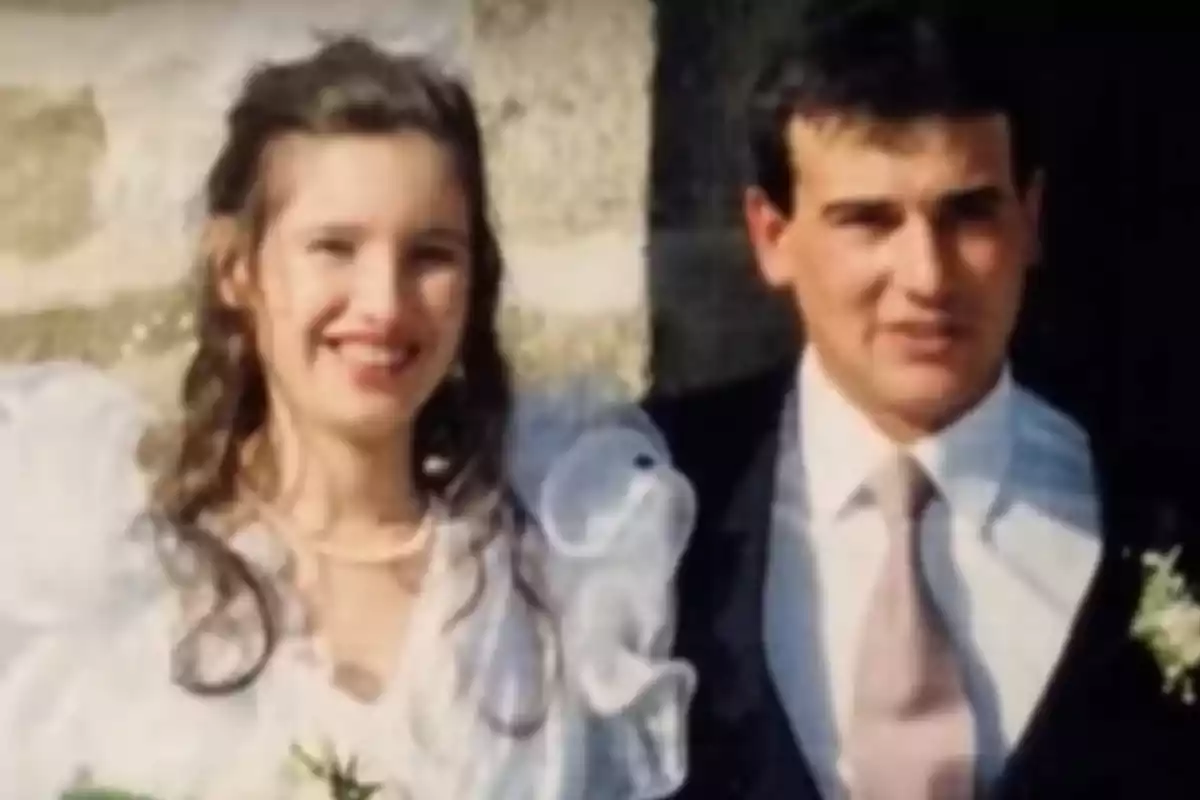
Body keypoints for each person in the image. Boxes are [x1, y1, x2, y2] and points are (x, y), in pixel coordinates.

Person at [0, 37, 696, 799]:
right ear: (238, 269)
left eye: (430, 255)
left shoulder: (548, 586)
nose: (384, 305)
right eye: (334, 247)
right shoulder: (120, 577)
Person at [648, 5, 1200, 798]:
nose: (928, 277)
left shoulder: (1164, 509)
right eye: (868, 221)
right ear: (773, 236)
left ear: (1031, 220)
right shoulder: (648, 507)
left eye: (968, 214)